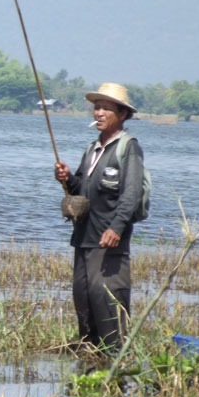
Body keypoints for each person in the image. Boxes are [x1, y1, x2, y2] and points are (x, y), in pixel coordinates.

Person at [54, 82, 145, 352]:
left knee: (106, 296)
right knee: (83, 295)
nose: (99, 113)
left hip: (108, 239)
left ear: (123, 114)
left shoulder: (128, 147)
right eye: (97, 107)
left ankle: (113, 353)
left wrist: (116, 228)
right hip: (84, 235)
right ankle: (88, 350)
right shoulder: (92, 148)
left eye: (107, 108)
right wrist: (67, 178)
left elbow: (131, 194)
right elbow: (79, 190)